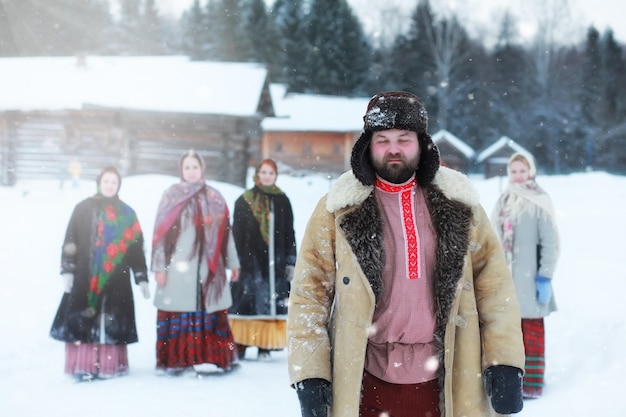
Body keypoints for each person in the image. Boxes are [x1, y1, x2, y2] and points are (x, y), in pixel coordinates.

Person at [287, 91, 526, 417]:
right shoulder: (338, 209)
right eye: (382, 139)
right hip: (364, 380)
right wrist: (311, 373)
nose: (394, 149)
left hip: (447, 379)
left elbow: (495, 288)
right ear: (368, 145)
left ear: (422, 143)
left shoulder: (459, 204)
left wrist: (504, 361)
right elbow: (308, 295)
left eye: (404, 138)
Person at [50, 166, 150, 381]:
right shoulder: (83, 209)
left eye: (114, 182)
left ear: (119, 185)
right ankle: (83, 365)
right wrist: (67, 270)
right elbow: (70, 241)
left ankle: (109, 365)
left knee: (111, 321)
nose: (110, 185)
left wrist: (140, 276)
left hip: (117, 279)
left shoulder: (127, 213)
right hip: (86, 276)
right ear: (99, 182)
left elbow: (136, 248)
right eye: (106, 181)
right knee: (85, 320)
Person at [151, 149, 240, 376]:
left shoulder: (214, 197)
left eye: (195, 167)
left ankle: (218, 358)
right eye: (187, 167)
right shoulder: (171, 196)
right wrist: (159, 267)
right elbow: (159, 234)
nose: (191, 172)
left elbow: (225, 234)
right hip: (177, 271)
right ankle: (179, 360)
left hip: (209, 270)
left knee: (210, 312)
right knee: (180, 312)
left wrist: (233, 263)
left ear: (202, 169)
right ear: (181, 170)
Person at [492, 152, 559, 399]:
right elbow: (492, 238)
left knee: (531, 332)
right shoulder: (503, 200)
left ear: (530, 171)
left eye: (522, 170)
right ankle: (510, 383)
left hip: (530, 281)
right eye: (514, 171)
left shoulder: (539, 201)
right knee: (507, 333)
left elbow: (550, 242)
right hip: (506, 280)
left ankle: (531, 384)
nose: (518, 175)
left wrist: (545, 276)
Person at [229, 159, 297, 360]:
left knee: (270, 302)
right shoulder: (244, 200)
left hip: (275, 262)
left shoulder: (282, 200)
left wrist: (290, 261)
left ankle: (264, 346)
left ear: (275, 176)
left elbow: (289, 232)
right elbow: (236, 233)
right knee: (245, 302)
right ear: (257, 174)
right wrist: (235, 261)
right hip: (249, 261)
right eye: (264, 172)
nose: (267, 176)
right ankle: (241, 343)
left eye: (271, 173)